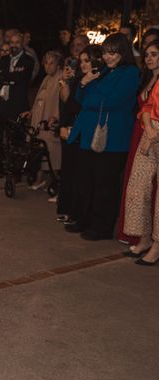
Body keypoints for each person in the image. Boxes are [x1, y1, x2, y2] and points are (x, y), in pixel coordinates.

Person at [65, 33, 140, 241]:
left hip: (113, 138)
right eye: (106, 52)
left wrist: (90, 91)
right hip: (91, 135)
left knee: (104, 185)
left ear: (122, 52)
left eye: (113, 53)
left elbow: (113, 101)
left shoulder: (131, 73)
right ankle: (84, 219)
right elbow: (80, 97)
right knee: (86, 181)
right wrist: (84, 84)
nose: (108, 57)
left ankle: (102, 227)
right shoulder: (104, 71)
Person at [119, 39, 159, 252]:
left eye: (154, 54)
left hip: (155, 134)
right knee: (138, 187)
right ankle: (143, 238)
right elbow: (145, 108)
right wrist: (148, 128)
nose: (149, 58)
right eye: (147, 55)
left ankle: (156, 244)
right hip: (144, 132)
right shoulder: (149, 79)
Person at [0, 31, 34, 173]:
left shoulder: (28, 60)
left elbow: (21, 79)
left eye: (17, 42)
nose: (14, 45)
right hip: (0, 104)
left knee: (16, 139)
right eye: (12, 42)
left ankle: (15, 171)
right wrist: (10, 78)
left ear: (22, 44)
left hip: (16, 106)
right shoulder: (3, 59)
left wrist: (5, 76)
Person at [56, 35, 90, 222]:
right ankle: (66, 208)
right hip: (68, 123)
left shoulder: (89, 74)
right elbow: (65, 101)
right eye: (74, 45)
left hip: (81, 125)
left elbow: (79, 105)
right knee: (68, 169)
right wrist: (64, 81)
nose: (77, 48)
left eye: (81, 45)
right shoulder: (71, 71)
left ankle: (76, 211)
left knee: (78, 171)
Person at [25, 50, 63, 190]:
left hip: (50, 122)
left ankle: (57, 184)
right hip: (39, 121)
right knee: (40, 151)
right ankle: (39, 180)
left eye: (51, 63)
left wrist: (57, 118)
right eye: (46, 63)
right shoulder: (46, 78)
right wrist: (31, 112)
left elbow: (62, 102)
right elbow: (38, 99)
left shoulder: (61, 79)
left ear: (58, 64)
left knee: (53, 154)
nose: (48, 66)